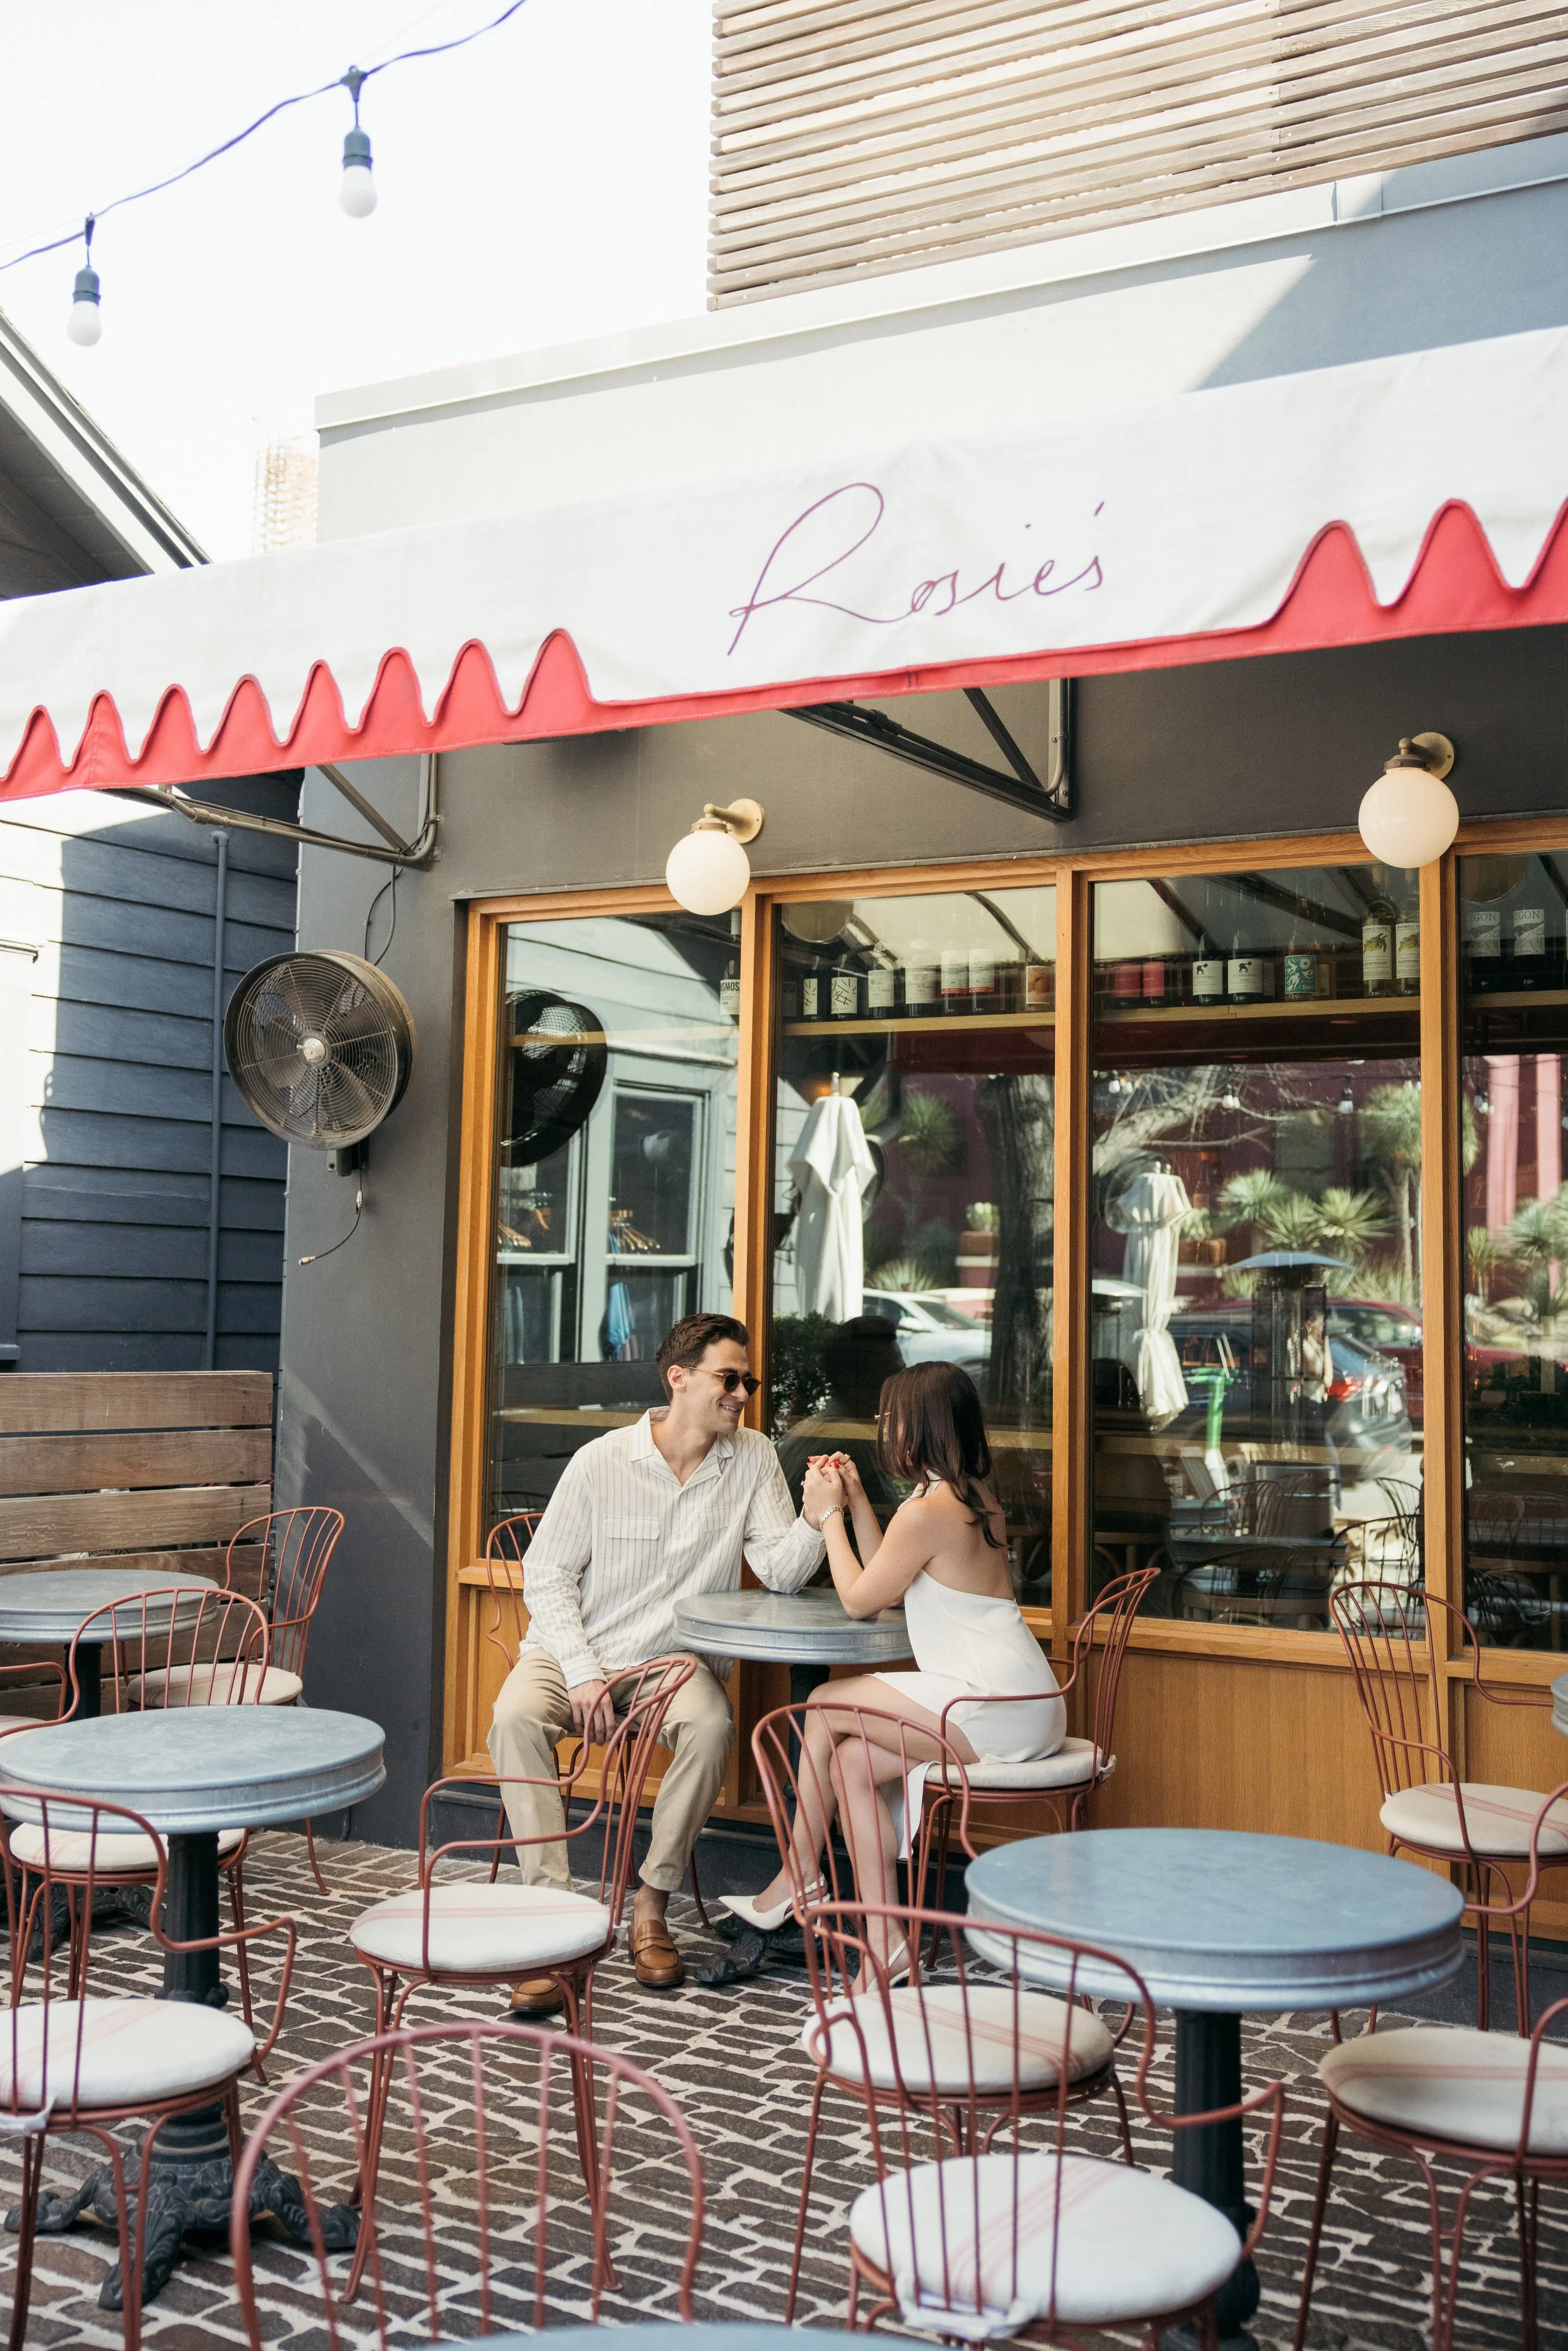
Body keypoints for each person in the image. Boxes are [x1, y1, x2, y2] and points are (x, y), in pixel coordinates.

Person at [488, 1310, 835, 2005]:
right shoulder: (602, 1461)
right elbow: (547, 1576)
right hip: (576, 1651)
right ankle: (552, 1921)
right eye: (728, 1379)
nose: (742, 1394)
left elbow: (779, 1572)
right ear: (678, 1378)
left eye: (748, 1382)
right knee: (514, 1719)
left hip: (673, 1666)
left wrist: (816, 1516)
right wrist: (582, 1673)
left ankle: (650, 1904)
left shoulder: (753, 1456)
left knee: (711, 1727)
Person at [724, 1360, 1065, 1973]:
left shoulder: (930, 1510)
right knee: (853, 1763)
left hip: (990, 1704)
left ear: (922, 1424)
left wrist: (827, 1515)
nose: (885, 1426)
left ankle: (798, 1876)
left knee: (821, 1706)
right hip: (1021, 1699)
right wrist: (855, 1499)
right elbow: (893, 1577)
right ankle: (885, 1946)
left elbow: (860, 1599)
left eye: (892, 1416)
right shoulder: (965, 1495)